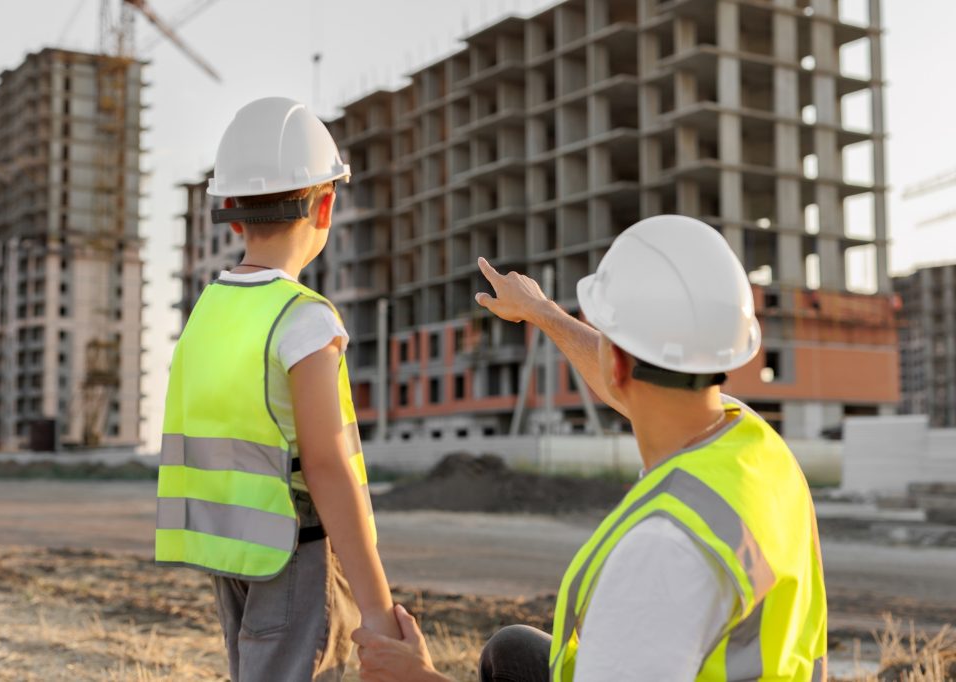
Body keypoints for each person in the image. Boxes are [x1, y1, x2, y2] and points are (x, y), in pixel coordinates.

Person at [352, 215, 828, 682]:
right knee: (513, 651)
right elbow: (625, 379)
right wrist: (543, 313)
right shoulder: (755, 441)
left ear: (617, 362)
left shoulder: (659, 552)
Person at [155, 97, 400, 682]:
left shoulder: (207, 312)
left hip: (233, 554)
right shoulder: (304, 319)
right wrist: (377, 607)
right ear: (327, 205)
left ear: (232, 213)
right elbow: (327, 465)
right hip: (296, 555)